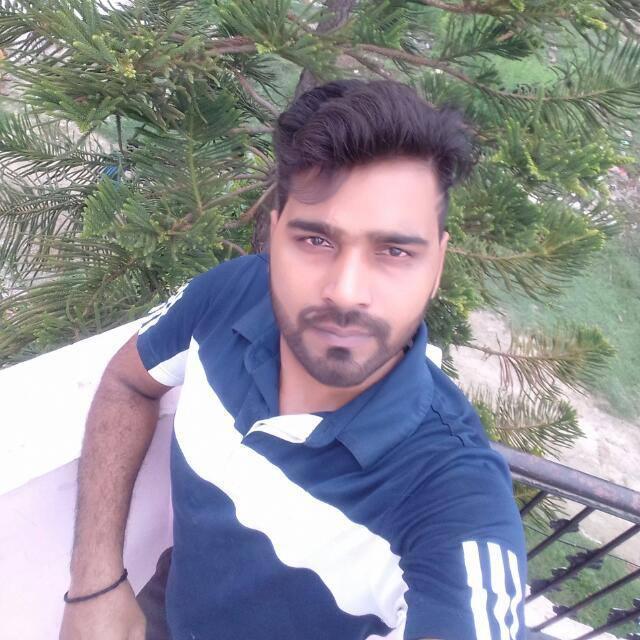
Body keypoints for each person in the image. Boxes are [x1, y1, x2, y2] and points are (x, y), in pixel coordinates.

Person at [60, 79, 527, 640]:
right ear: (275, 232)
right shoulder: (228, 296)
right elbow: (128, 382)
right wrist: (95, 584)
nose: (346, 292)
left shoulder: (454, 499)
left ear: (437, 267)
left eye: (395, 250)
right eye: (316, 241)